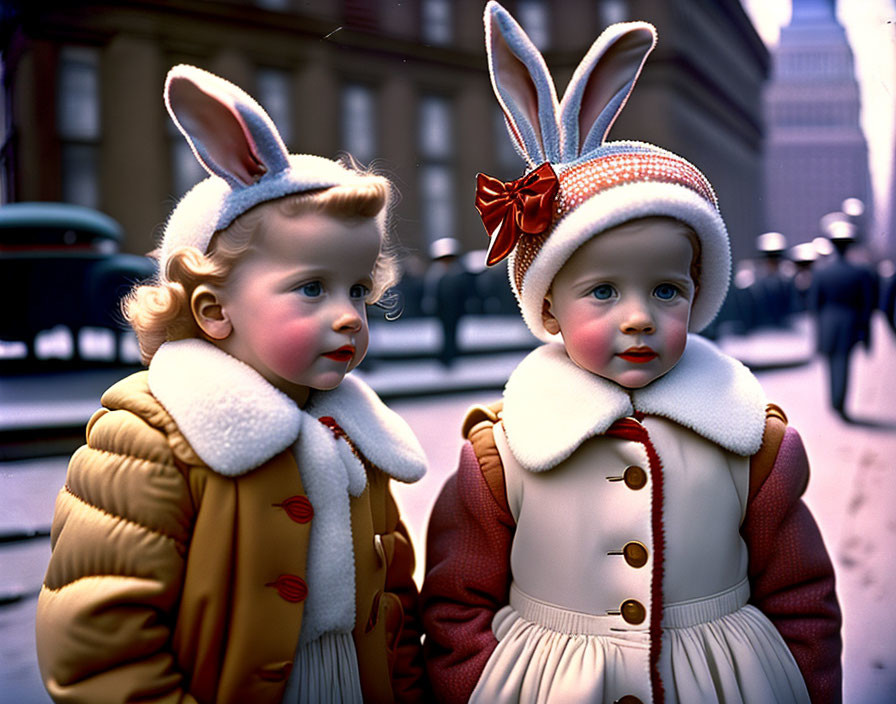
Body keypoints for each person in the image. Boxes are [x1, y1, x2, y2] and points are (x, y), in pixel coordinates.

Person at [421, 4, 841, 703]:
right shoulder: (502, 452)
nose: (641, 317)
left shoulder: (755, 443)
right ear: (548, 307)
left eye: (668, 290)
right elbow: (455, 600)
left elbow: (801, 593)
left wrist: (802, 681)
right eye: (604, 292)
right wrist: (476, 684)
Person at [35, 65, 428, 704]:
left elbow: (394, 604)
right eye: (312, 288)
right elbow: (102, 644)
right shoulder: (154, 437)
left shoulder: (357, 434)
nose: (348, 315)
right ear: (215, 310)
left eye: (358, 289)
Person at [809, 218, 877, 420]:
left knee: (830, 365)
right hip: (849, 323)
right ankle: (840, 402)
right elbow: (866, 306)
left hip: (828, 323)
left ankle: (834, 402)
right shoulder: (859, 272)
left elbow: (814, 304)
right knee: (844, 365)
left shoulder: (821, 272)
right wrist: (865, 333)